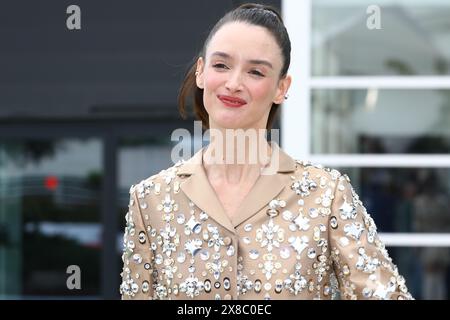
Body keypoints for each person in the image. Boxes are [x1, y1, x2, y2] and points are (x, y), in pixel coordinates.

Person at [120, 3, 412, 300]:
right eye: (221, 65)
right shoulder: (150, 202)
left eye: (256, 72)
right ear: (200, 72)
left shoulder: (327, 196)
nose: (233, 84)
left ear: (281, 88)